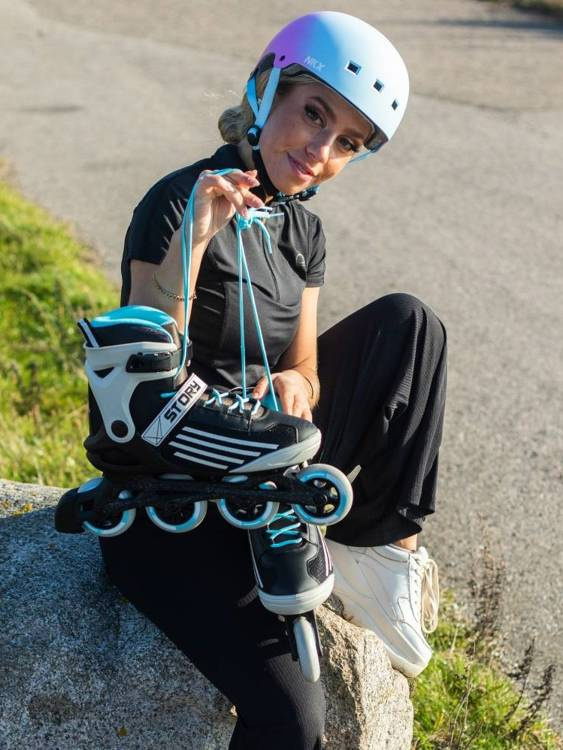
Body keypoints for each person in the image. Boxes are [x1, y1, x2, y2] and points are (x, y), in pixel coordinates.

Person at [99, 11, 446, 749]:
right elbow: (142, 364)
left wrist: (295, 388)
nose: (321, 151)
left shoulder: (304, 232)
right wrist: (196, 236)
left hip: (266, 473)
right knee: (292, 720)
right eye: (314, 114)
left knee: (408, 323)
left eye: (347, 142)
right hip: (174, 492)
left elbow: (304, 366)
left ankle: (378, 551)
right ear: (265, 90)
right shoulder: (179, 200)